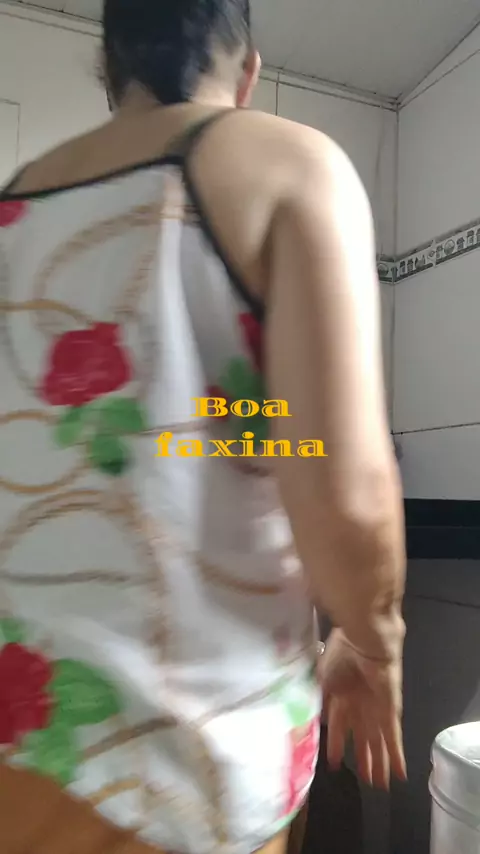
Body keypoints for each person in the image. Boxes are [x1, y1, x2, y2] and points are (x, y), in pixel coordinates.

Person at [0, 1, 406, 852]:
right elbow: (344, 487)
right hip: (184, 774)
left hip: (22, 745)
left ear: (110, 69)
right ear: (247, 71)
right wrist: (374, 642)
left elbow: (183, 421)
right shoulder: (291, 164)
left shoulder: (16, 203)